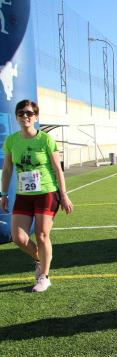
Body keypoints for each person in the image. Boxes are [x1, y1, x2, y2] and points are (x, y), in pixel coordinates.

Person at [0, 99, 74, 292]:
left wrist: (64, 195)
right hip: (23, 195)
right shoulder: (11, 140)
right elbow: (7, 169)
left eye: (29, 113)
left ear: (36, 117)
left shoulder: (45, 140)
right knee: (18, 238)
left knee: (42, 235)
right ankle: (40, 260)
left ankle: (44, 276)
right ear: (16, 116)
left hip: (47, 193)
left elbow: (58, 169)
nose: (25, 116)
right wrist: (3, 194)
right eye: (21, 113)